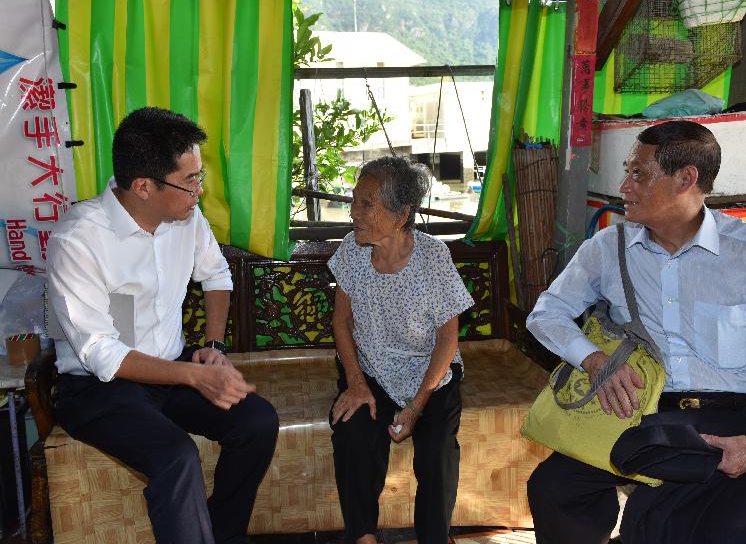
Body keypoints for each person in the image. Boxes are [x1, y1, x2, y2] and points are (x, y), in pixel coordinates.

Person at [526, 120, 746, 544]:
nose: (624, 186)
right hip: (644, 414)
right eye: (628, 171)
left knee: (685, 520)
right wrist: (594, 359)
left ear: (686, 178)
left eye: (639, 173)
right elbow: (546, 313)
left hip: (729, 416)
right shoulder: (608, 248)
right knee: (554, 488)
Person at [47, 107, 279, 544]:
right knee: (175, 455)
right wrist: (195, 375)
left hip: (171, 371)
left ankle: (219, 534)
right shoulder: (77, 241)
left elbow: (216, 276)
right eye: (190, 180)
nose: (199, 191)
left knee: (257, 422)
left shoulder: (185, 218)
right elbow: (102, 354)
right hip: (99, 390)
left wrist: (212, 345)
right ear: (143, 187)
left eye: (199, 177)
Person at [327, 156, 475, 544]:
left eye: (366, 203)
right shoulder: (352, 250)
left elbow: (447, 338)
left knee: (437, 446)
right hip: (371, 368)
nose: (353, 213)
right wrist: (356, 383)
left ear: (401, 214)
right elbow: (341, 322)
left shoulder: (433, 257)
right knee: (352, 428)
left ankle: (434, 538)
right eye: (354, 200)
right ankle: (362, 537)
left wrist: (417, 405)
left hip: (429, 372)